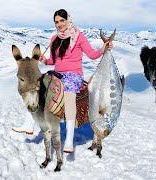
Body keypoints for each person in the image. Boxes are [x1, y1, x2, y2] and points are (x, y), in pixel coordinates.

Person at [39, 9, 113, 153]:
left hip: (73, 75)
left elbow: (92, 55)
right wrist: (44, 60)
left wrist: (104, 49)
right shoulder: (54, 38)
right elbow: (53, 60)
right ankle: (28, 126)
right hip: (57, 74)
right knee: (38, 87)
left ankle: (69, 139)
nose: (59, 24)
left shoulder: (78, 36)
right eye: (56, 22)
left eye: (62, 20)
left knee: (69, 96)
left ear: (68, 20)